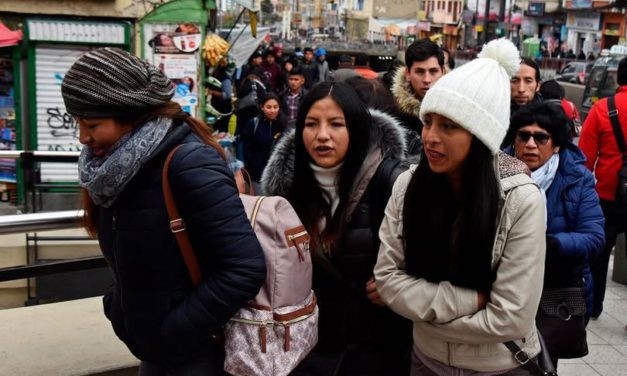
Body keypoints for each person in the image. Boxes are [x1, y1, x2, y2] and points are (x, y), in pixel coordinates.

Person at [61, 48, 266, 375]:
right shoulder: (117, 168)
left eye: (93, 124)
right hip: (156, 353)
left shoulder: (187, 164)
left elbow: (244, 267)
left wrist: (175, 331)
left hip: (196, 357)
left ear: (129, 115)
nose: (83, 137)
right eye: (78, 123)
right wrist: (118, 308)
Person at [375, 38, 547, 375]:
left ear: (481, 137)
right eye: (428, 122)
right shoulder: (407, 185)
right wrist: (471, 301)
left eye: (449, 126)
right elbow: (387, 279)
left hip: (500, 365)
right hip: (425, 360)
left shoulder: (520, 200)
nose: (430, 137)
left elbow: (511, 317)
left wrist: (421, 314)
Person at [261, 82, 412, 375]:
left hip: (375, 355)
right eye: (311, 124)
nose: (322, 136)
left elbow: (429, 258)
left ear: (356, 129)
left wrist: (399, 285)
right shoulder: (285, 194)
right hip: (305, 354)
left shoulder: (391, 182)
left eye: (336, 124)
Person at [503, 102, 605, 365]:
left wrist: (550, 244)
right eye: (523, 135)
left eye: (541, 137)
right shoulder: (494, 172)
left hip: (553, 288)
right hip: (505, 286)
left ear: (557, 144)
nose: (530, 144)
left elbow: (594, 236)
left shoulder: (576, 179)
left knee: (544, 361)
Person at [579, 56, 627, 319]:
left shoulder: (602, 109)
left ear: (618, 78)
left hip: (607, 195)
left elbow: (585, 158)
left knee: (599, 253)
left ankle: (594, 306)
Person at [391, 39, 444, 158]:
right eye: (420, 72)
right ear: (408, 74)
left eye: (433, 71)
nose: (427, 79)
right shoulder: (393, 114)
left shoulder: (458, 109)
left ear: (443, 72)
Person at [241, 93, 286, 189]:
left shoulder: (284, 124)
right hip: (257, 176)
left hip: (278, 177)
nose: (272, 110)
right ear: (262, 107)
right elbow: (246, 149)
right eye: (268, 107)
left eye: (275, 107)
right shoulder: (253, 124)